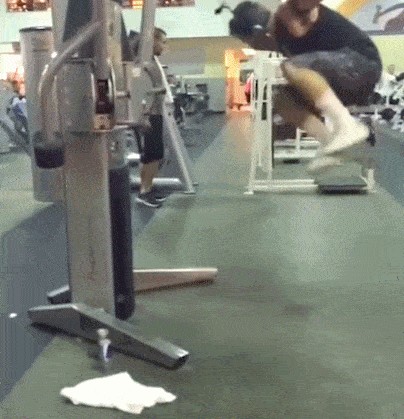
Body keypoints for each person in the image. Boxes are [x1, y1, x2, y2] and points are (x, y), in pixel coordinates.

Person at [220, 0, 382, 173]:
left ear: (260, 33)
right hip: (344, 80)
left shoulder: (291, 13)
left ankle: (348, 126)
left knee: (292, 66)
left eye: (249, 42)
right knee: (282, 99)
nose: (252, 47)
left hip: (362, 63)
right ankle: (331, 144)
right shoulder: (282, 42)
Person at [130, 28, 169, 208]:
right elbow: (139, 91)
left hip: (155, 113)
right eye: (163, 42)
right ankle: (144, 193)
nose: (164, 46)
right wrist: (143, 116)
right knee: (151, 156)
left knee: (155, 155)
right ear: (153, 40)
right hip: (148, 115)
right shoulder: (142, 63)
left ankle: (148, 189)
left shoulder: (151, 61)